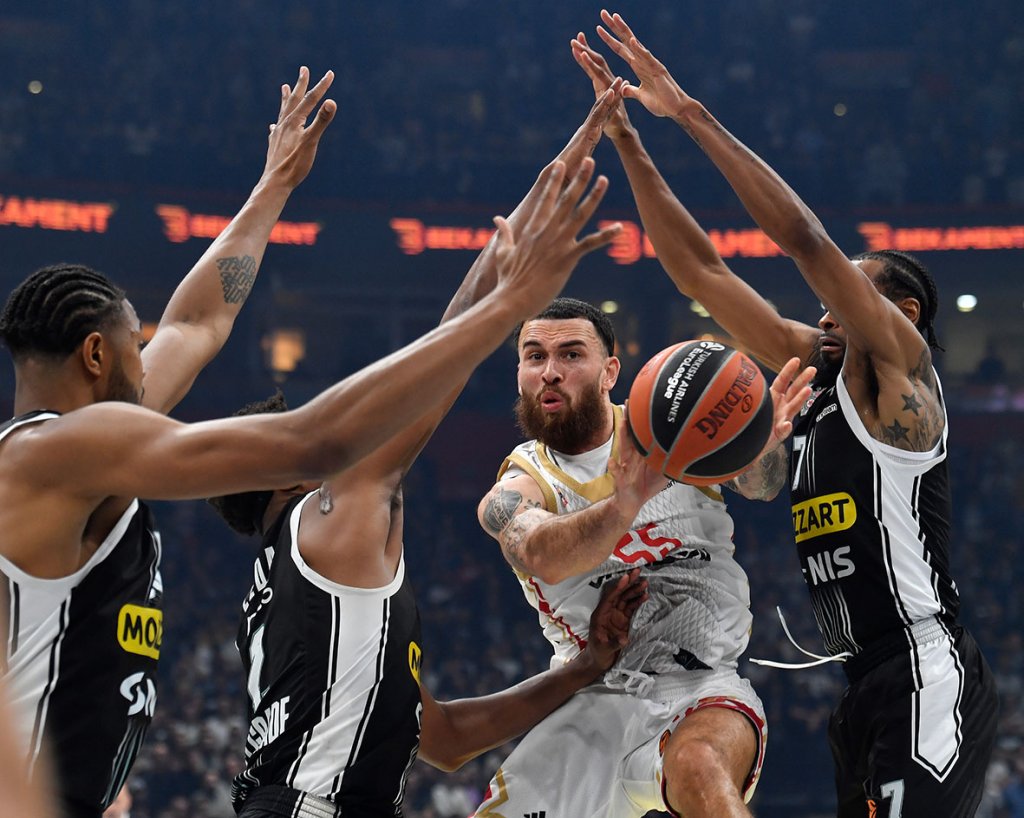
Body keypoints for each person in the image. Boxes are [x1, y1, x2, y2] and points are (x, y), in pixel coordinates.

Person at [0, 62, 621, 818]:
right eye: (138, 344)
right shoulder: (52, 454)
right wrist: (510, 304)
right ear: (97, 357)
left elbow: (199, 322)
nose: (151, 359)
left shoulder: (88, 454)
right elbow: (318, 439)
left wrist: (273, 186)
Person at [584, 10, 999, 816]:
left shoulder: (903, 376)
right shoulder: (816, 376)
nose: (824, 310)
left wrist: (689, 114)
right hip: (862, 683)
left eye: (848, 295)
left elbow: (805, 239)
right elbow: (700, 274)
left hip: (923, 668)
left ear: (903, 313)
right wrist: (629, 139)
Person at [204, 87, 644, 818]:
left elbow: (443, 739)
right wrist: (520, 273)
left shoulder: (301, 578)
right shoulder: (330, 517)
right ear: (285, 476)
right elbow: (441, 356)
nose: (326, 438)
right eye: (300, 437)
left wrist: (584, 668)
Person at [474, 295, 814, 818]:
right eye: (534, 356)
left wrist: (756, 444)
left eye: (570, 355)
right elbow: (543, 555)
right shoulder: (519, 486)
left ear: (610, 372)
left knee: (700, 765)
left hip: (702, 685)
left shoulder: (673, 428)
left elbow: (762, 487)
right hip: (591, 697)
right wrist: (625, 502)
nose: (550, 372)